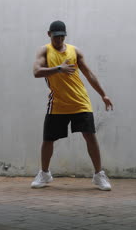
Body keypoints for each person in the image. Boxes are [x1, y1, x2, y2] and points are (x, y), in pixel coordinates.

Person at [31, 20, 113, 191]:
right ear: (49, 34)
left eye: (62, 37)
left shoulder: (74, 51)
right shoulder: (45, 50)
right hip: (57, 104)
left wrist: (103, 94)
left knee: (90, 136)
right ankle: (44, 173)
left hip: (80, 102)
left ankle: (99, 175)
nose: (59, 40)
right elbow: (36, 72)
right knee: (48, 140)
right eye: (56, 37)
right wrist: (59, 68)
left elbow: (89, 73)